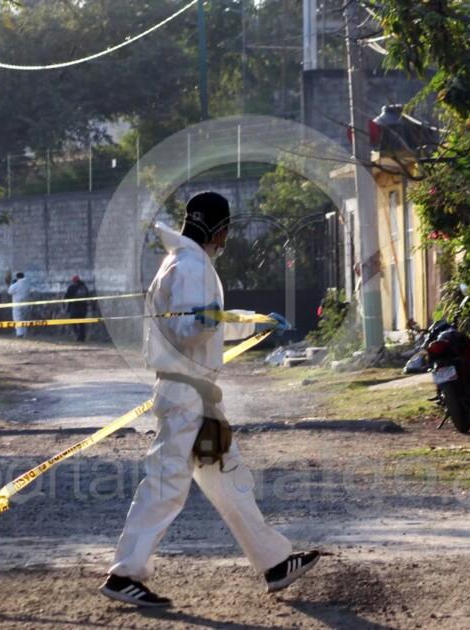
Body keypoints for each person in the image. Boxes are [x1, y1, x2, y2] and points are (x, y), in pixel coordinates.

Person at [100, 191, 319, 608]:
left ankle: (274, 563)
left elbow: (208, 324)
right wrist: (204, 324)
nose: (225, 240)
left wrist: (255, 324)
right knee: (166, 485)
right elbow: (190, 331)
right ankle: (124, 573)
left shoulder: (184, 262)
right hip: (185, 395)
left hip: (195, 395)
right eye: (225, 233)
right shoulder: (190, 266)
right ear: (220, 231)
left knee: (230, 480)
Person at [65, 275, 90, 341]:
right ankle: (82, 337)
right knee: (82, 324)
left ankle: (77, 334)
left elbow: (66, 297)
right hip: (83, 309)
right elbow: (88, 297)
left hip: (74, 308)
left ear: (73, 281)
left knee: (73, 322)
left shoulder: (71, 287)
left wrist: (68, 308)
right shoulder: (84, 287)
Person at [7, 272, 30, 337]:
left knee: (17, 318)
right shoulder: (27, 283)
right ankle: (25, 333)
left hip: (17, 304)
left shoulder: (16, 284)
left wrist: (12, 284)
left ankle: (19, 333)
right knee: (24, 318)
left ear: (17, 277)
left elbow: (9, 291)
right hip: (26, 303)